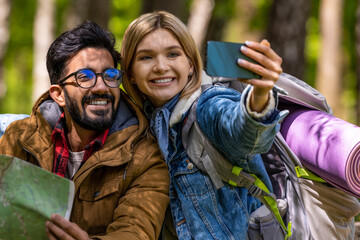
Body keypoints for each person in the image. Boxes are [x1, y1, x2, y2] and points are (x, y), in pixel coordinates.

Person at [120, 11, 288, 239]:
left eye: (172, 54)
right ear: (130, 73)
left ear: (190, 64)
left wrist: (259, 97)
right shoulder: (140, 123)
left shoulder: (208, 105)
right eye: (146, 57)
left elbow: (242, 132)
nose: (160, 66)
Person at [0, 20, 170, 240]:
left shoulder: (146, 156)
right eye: (85, 77)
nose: (101, 87)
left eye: (110, 76)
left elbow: (136, 232)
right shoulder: (19, 138)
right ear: (58, 94)